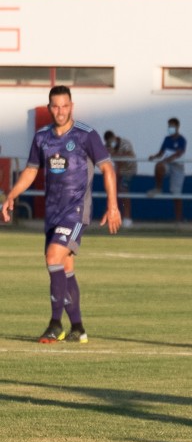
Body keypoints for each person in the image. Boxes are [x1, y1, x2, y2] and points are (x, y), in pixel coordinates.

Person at [1, 86, 121, 343]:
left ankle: (55, 324)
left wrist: (112, 206)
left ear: (71, 106)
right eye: (55, 106)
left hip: (76, 211)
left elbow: (108, 169)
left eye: (64, 106)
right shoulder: (42, 137)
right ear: (49, 108)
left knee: (53, 255)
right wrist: (11, 195)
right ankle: (78, 328)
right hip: (53, 213)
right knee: (64, 267)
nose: (60, 111)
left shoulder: (86, 136)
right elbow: (31, 171)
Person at [148, 117, 187, 222]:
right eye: (169, 126)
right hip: (167, 165)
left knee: (176, 193)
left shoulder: (182, 139)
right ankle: (158, 188)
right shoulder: (166, 139)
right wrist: (154, 157)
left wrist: (170, 158)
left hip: (177, 166)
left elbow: (179, 153)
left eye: (172, 126)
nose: (170, 128)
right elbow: (161, 153)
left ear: (177, 127)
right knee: (158, 165)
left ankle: (179, 220)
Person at [104, 130, 136, 228]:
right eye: (109, 142)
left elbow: (128, 156)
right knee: (112, 193)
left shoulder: (125, 144)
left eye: (111, 140)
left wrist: (115, 154)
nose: (111, 143)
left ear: (115, 137)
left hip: (128, 171)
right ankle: (112, 217)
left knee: (124, 191)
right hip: (118, 171)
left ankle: (127, 218)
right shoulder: (109, 146)